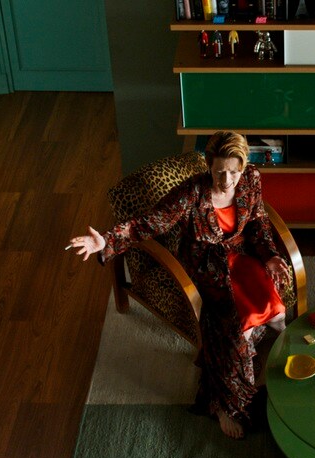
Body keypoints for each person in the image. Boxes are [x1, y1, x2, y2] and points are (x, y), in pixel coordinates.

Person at [68, 131, 290, 439]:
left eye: (233, 172)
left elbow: (258, 222)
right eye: (219, 172)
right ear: (209, 166)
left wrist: (271, 256)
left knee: (276, 311)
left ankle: (271, 343)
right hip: (205, 263)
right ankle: (223, 405)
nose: (227, 180)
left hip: (239, 254)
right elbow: (149, 222)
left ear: (243, 167)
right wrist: (106, 240)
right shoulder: (191, 193)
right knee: (234, 328)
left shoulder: (251, 178)